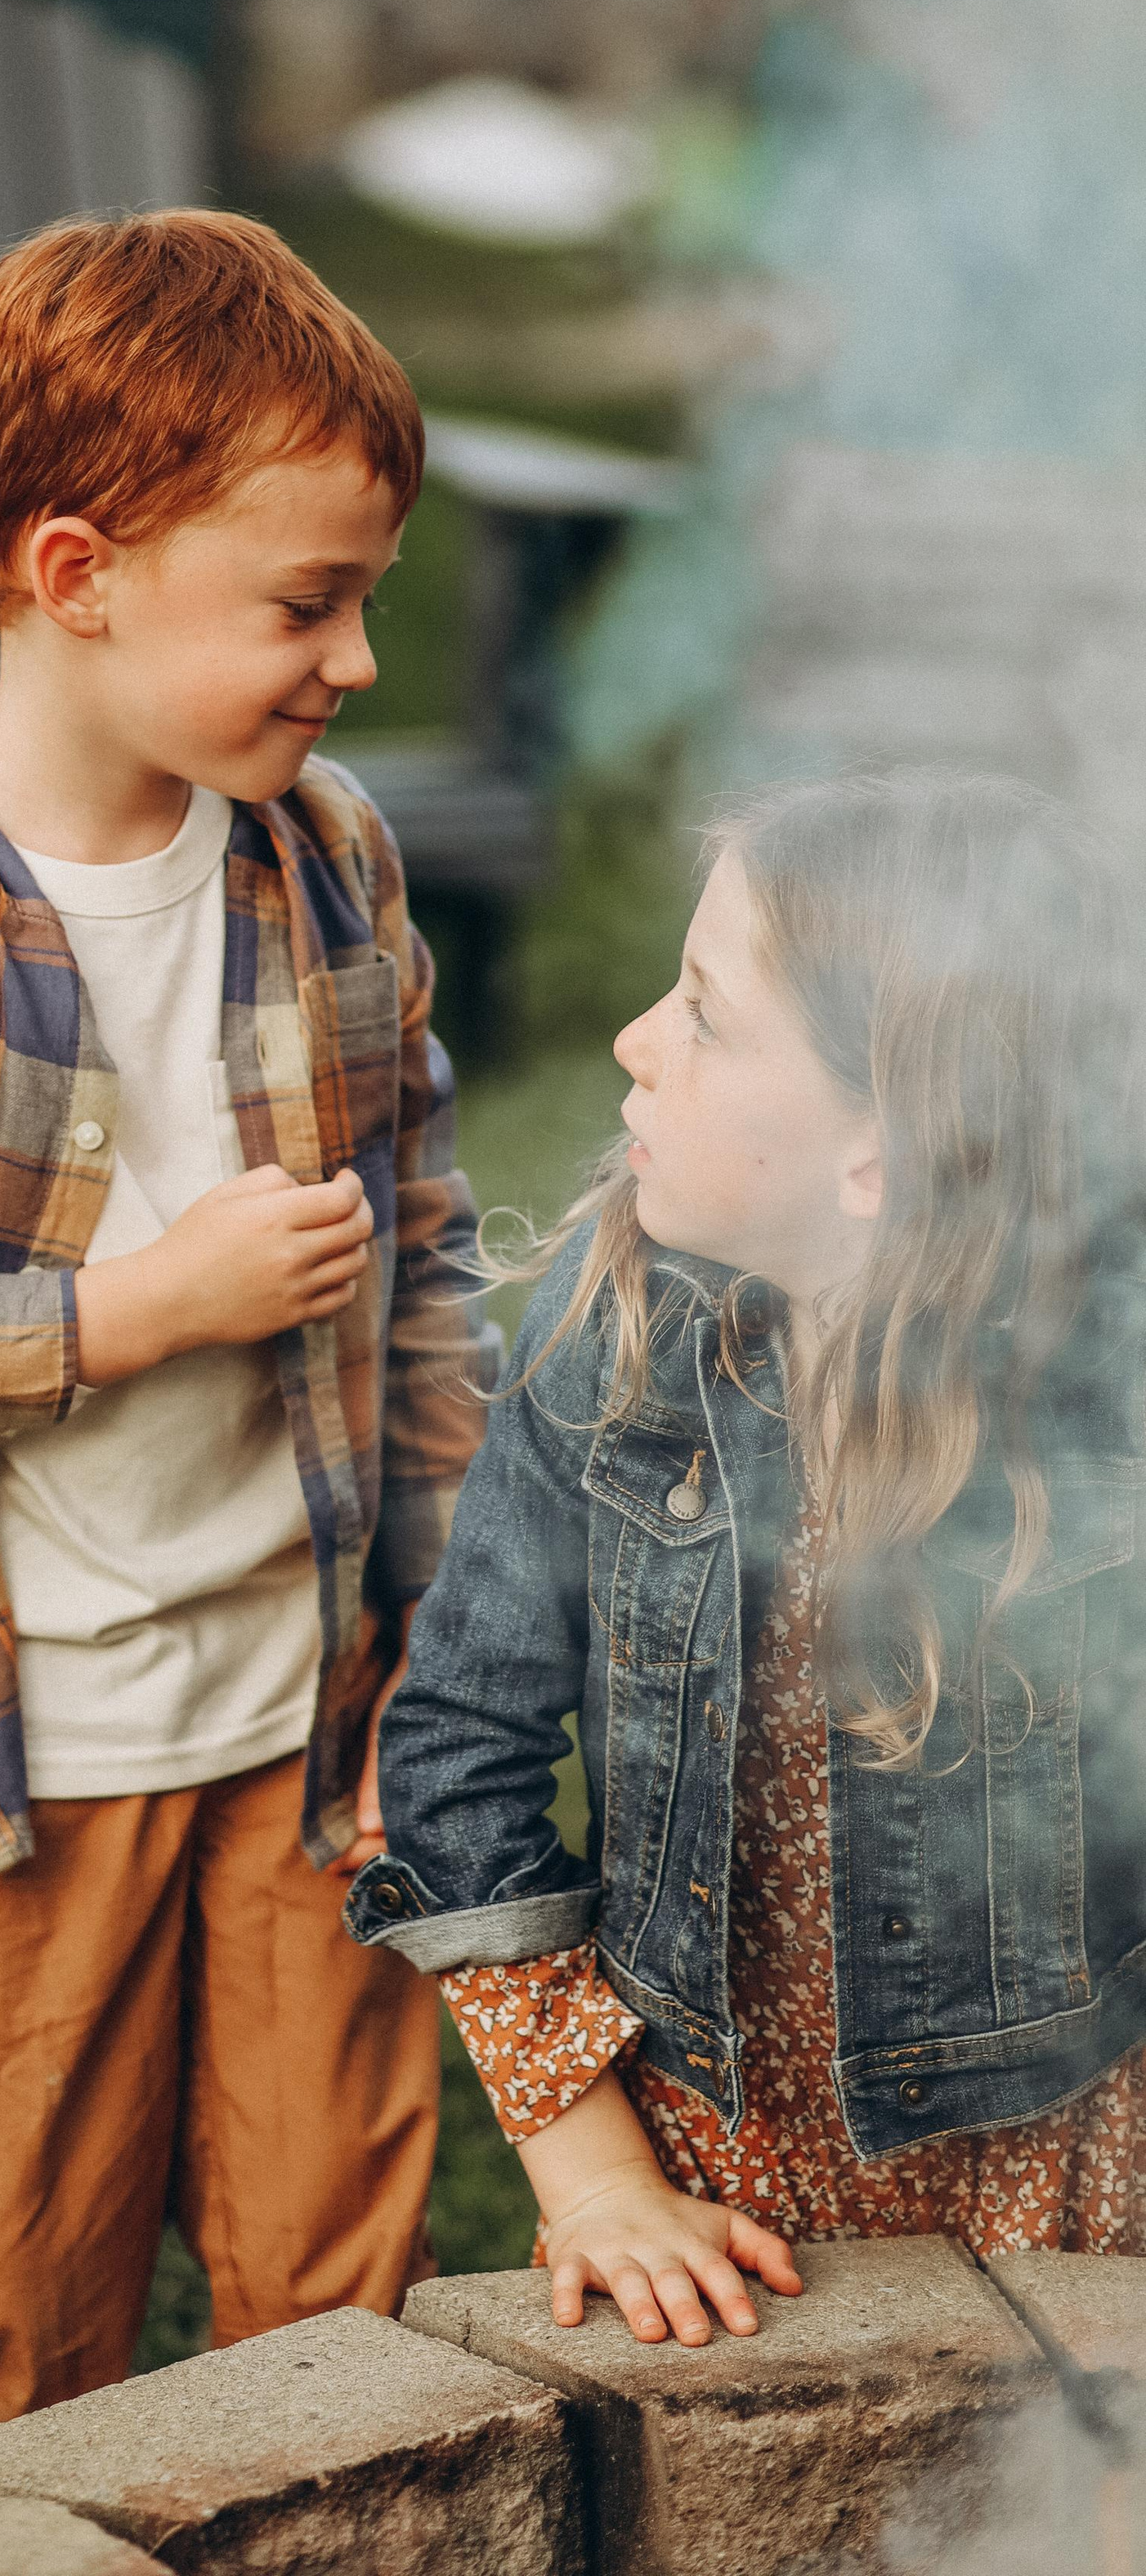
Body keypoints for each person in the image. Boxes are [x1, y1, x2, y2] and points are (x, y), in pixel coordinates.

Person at [0, 208, 501, 2471]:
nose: (352, 658)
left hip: (301, 1722)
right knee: (3, 2327)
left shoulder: (325, 858)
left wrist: (437, 1630)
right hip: (2, 1750)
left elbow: (421, 1253)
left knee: (346, 2333)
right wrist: (144, 1310)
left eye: (365, 595)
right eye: (306, 602)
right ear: (79, 573)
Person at [351, 770, 1146, 2350]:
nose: (638, 1039)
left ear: (883, 1160)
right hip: (726, 2161)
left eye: (706, 1016)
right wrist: (591, 2176)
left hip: (1068, 2149)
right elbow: (456, 1756)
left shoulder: (1103, 1394)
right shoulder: (613, 1335)